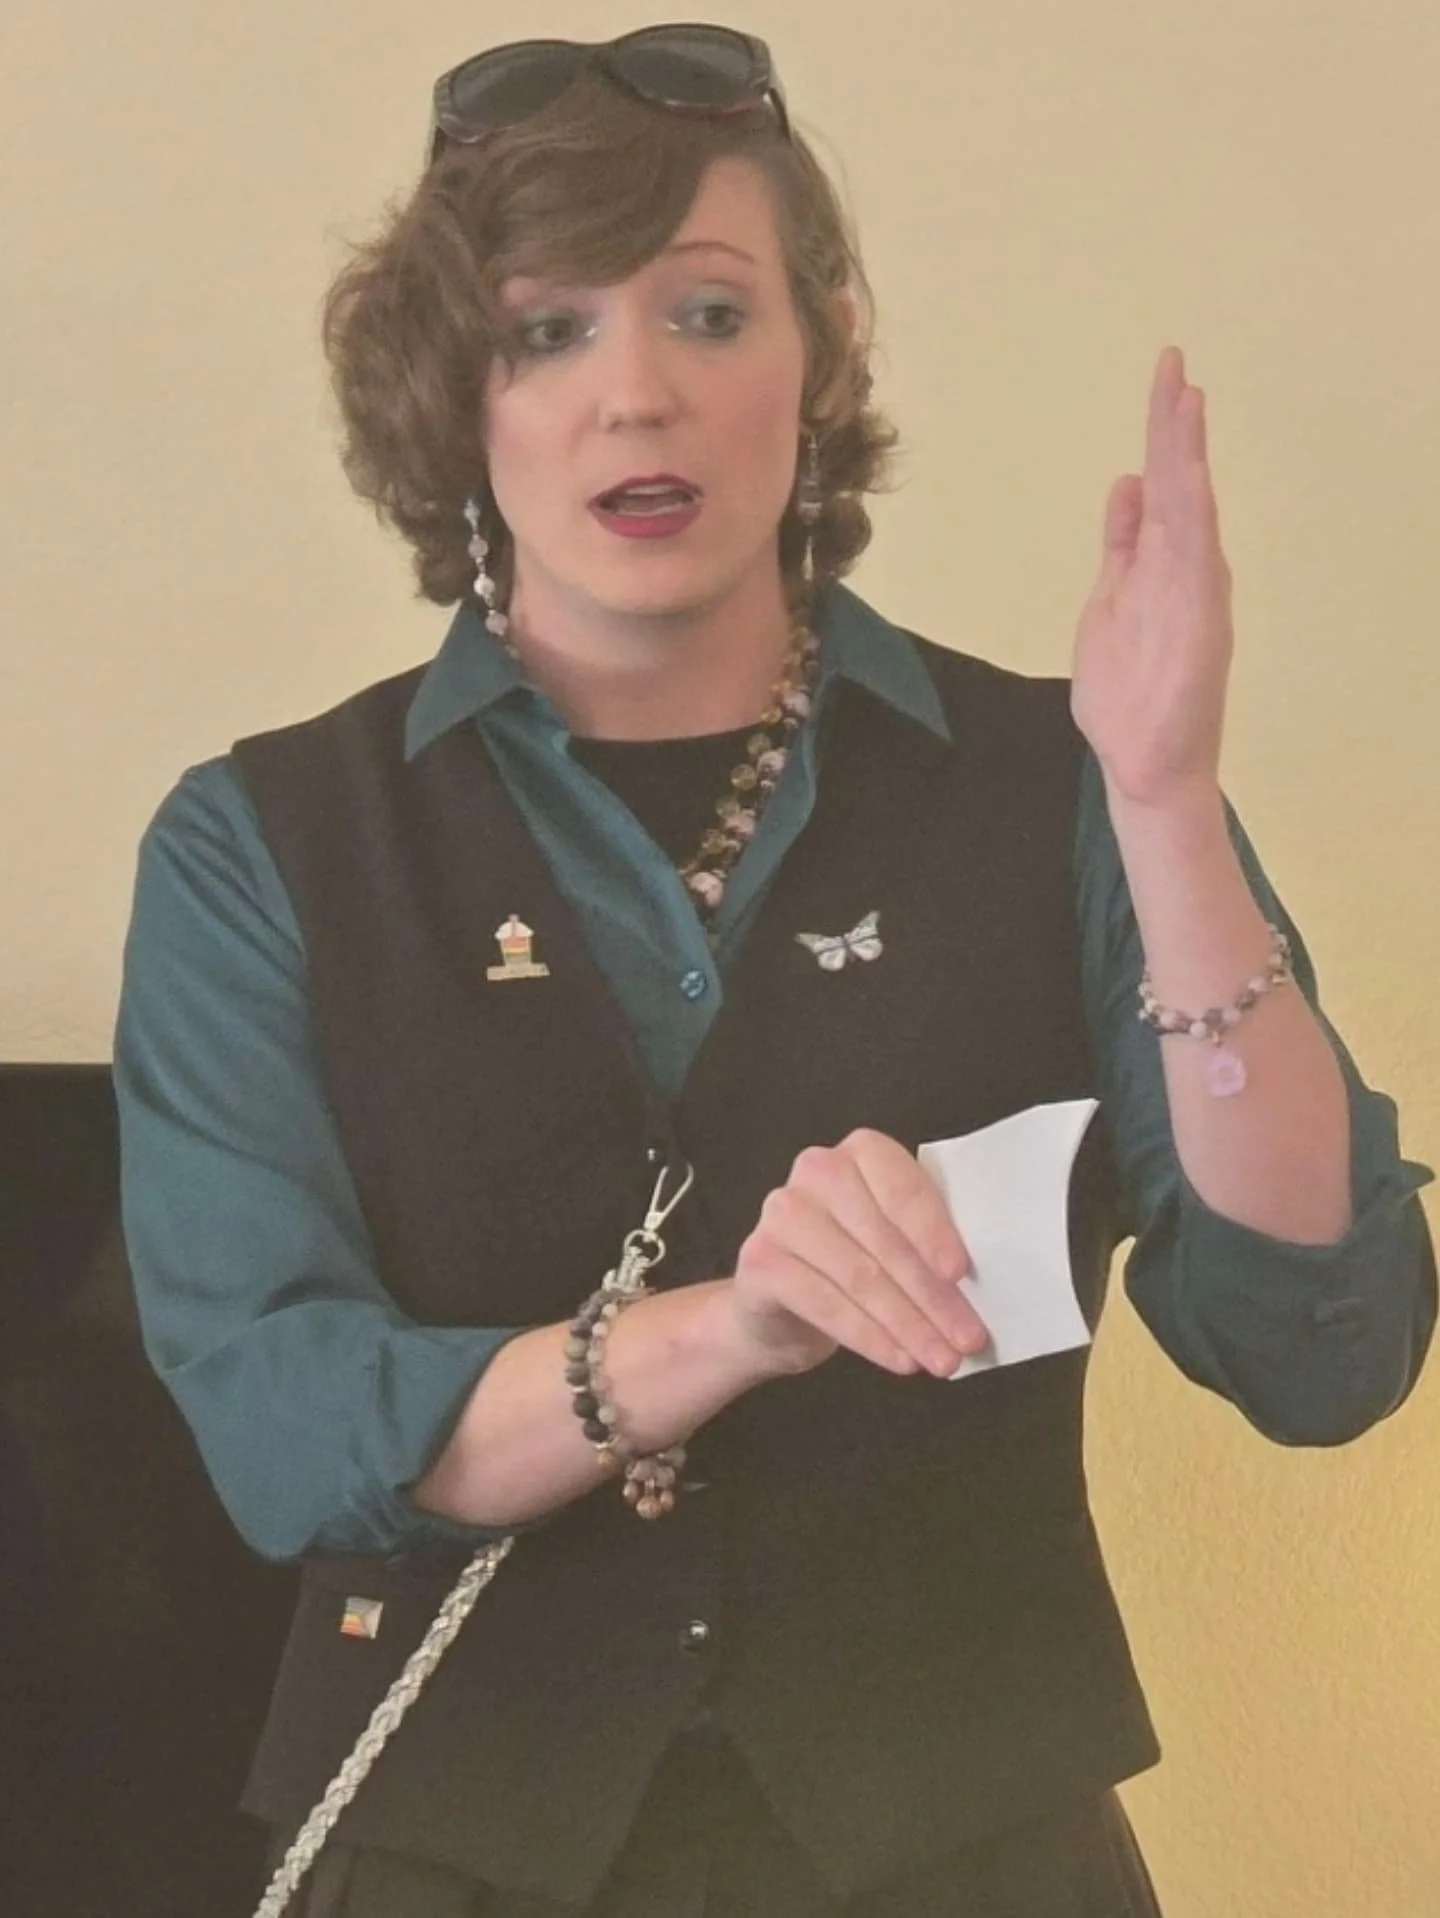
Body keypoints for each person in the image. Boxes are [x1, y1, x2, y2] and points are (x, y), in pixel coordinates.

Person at [112, 24, 1436, 1917]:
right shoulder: (261, 844)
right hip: (454, 1854)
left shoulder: (1066, 784)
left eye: (710, 315)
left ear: (815, 359)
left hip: (975, 1849)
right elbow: (285, 1425)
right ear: (451, 396)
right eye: (549, 330)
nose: (636, 394)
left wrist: (1166, 807)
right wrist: (726, 1325)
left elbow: (1323, 1341)